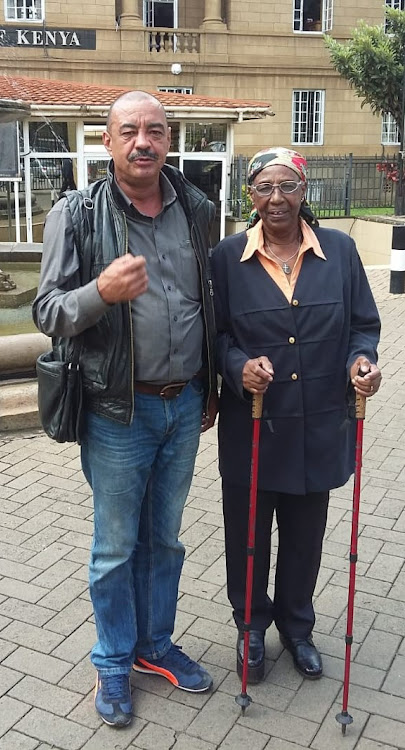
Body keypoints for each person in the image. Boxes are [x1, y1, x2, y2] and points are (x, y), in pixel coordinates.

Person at [33, 90, 218, 727]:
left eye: (156, 130)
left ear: (170, 140)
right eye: (130, 130)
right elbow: (48, 311)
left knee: (164, 542)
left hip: (184, 402)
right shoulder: (77, 213)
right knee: (116, 546)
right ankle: (112, 661)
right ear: (107, 141)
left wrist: (212, 383)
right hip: (119, 412)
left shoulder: (197, 207)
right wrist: (100, 293)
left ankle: (154, 645)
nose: (144, 141)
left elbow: (209, 301)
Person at [210, 147, 381, 684]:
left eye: (287, 186)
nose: (276, 198)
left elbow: (362, 325)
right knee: (248, 536)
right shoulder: (226, 258)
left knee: (306, 537)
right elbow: (214, 336)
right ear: (251, 196)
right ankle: (251, 627)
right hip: (255, 425)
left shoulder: (341, 251)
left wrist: (362, 361)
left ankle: (297, 627)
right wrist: (237, 367)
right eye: (264, 188)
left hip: (319, 424)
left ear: (304, 191)